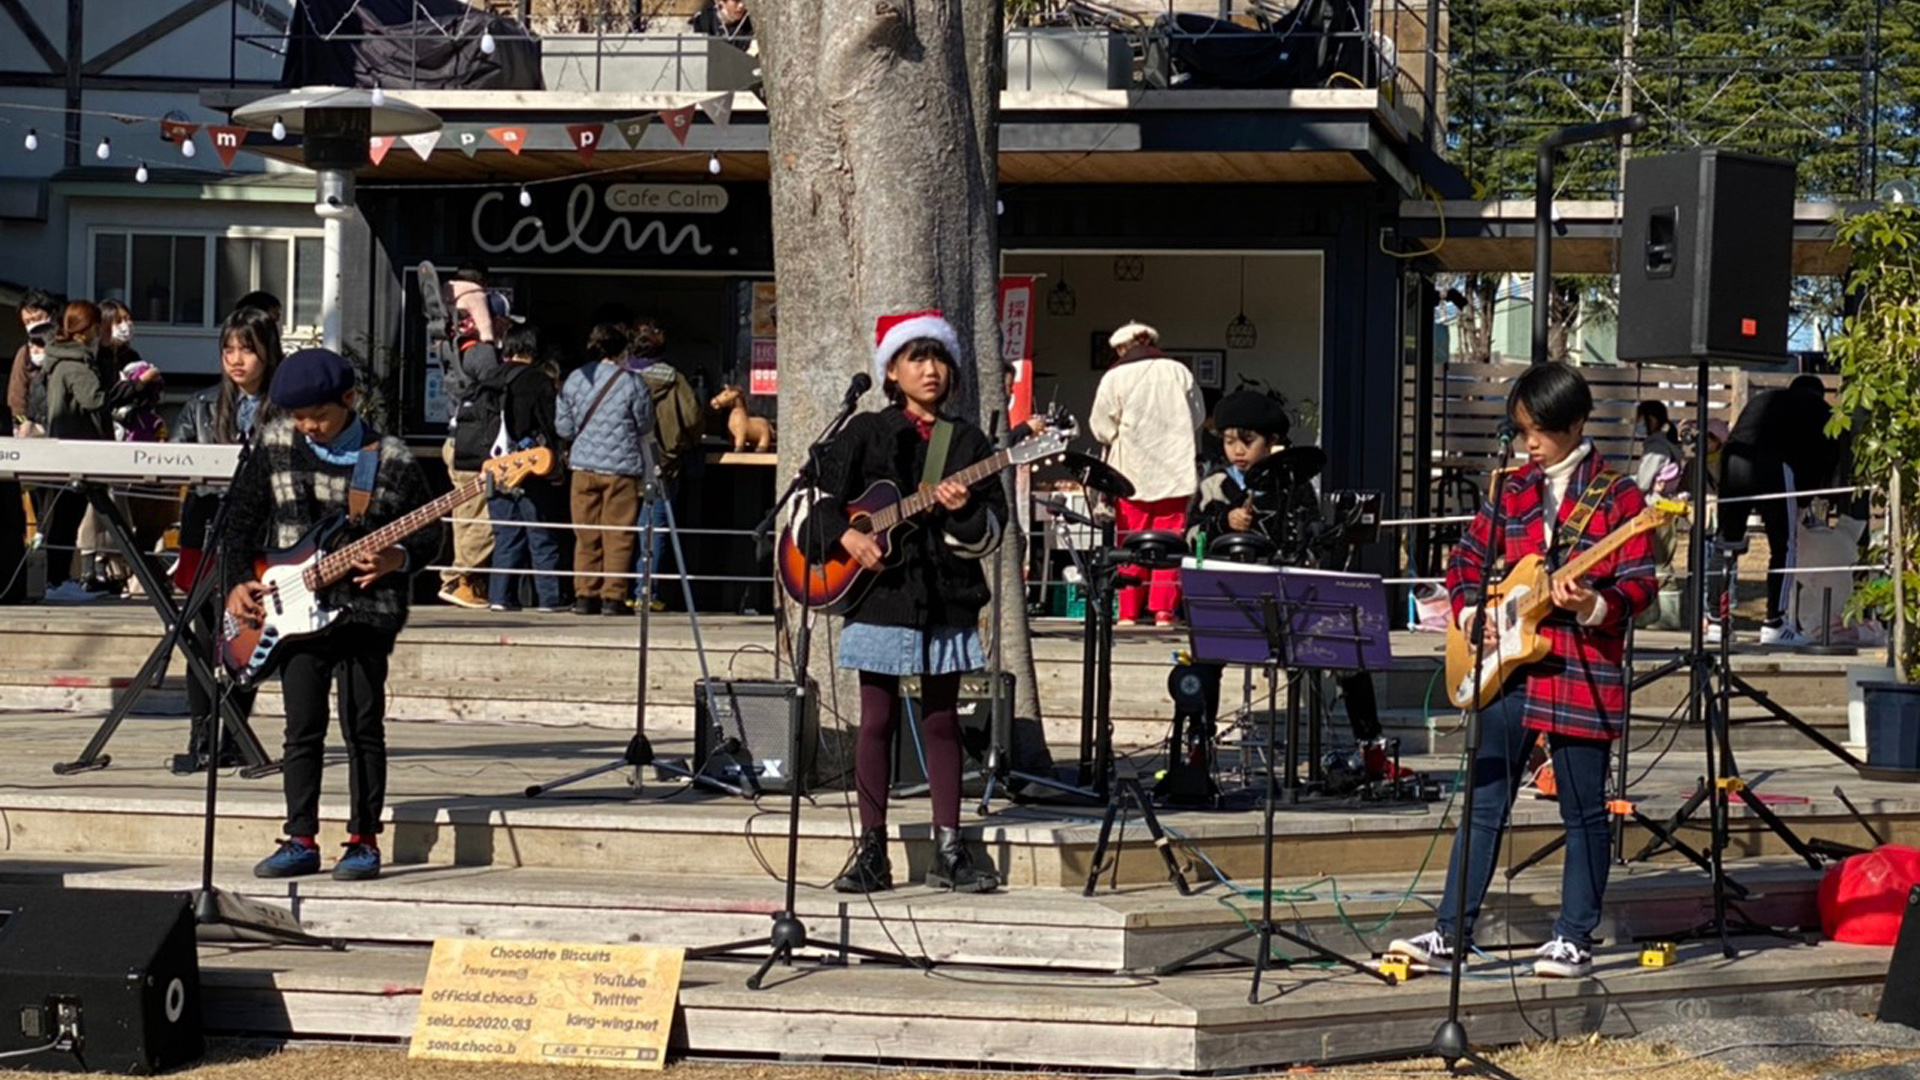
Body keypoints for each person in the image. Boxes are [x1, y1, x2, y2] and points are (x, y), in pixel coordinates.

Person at [1388, 363, 1656, 979]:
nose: (1528, 444)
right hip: (1505, 666)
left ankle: (1574, 937)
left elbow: (1639, 584)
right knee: (1484, 804)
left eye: (1540, 432)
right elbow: (1466, 559)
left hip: (1579, 664)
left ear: (1577, 423)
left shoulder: (1620, 498)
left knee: (1583, 808)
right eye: (1521, 431)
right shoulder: (1511, 486)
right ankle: (1451, 933)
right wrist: (1469, 611)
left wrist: (1591, 604)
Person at [804, 310, 1006, 895]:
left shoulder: (968, 441)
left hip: (946, 596)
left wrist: (960, 507)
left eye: (939, 358)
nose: (931, 370)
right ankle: (872, 851)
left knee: (941, 721)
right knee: (877, 720)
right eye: (917, 358)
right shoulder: (866, 432)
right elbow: (817, 504)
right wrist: (847, 535)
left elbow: (991, 527)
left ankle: (950, 847)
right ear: (890, 371)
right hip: (880, 596)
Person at [227, 347, 439, 882]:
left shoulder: (387, 457)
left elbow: (433, 533)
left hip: (365, 612)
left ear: (350, 400)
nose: (309, 427)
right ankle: (300, 837)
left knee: (363, 726)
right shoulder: (274, 444)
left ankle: (363, 841)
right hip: (290, 608)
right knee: (302, 728)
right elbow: (240, 520)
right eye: (299, 417)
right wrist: (236, 581)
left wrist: (400, 557)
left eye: (318, 416)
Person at [171, 307, 281, 770]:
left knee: (244, 633)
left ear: (267, 353)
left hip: (259, 533)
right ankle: (201, 737)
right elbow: (171, 461)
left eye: (248, 350)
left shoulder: (287, 408)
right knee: (202, 631)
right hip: (205, 525)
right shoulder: (200, 405)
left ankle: (234, 733)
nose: (237, 360)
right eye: (229, 350)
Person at [1089, 321, 1203, 627]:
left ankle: (1128, 611)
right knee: (1170, 541)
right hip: (1175, 469)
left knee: (1130, 540)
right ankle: (1164, 611)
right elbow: (1197, 416)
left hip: (1132, 471)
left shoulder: (1115, 375)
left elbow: (1101, 427)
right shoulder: (1180, 371)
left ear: (1122, 347)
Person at [1718, 375, 1844, 646]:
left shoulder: (1764, 399)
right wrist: (1805, 500)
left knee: (1727, 543)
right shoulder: (1819, 410)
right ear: (1819, 394)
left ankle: (1719, 622)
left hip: (1733, 458)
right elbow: (1822, 460)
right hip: (1772, 464)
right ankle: (1775, 623)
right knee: (1784, 546)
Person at [465, 322, 565, 613]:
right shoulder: (538, 380)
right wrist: (556, 463)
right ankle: (550, 598)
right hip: (529, 466)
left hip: (495, 466)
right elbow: (551, 424)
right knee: (541, 534)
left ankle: (500, 597)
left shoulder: (489, 379)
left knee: (506, 536)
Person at [556, 322, 654, 616]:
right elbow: (645, 423)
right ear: (624, 349)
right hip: (620, 468)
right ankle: (613, 597)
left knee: (585, 534)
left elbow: (563, 426)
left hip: (583, 465)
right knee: (618, 534)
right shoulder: (633, 382)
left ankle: (585, 595)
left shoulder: (575, 379)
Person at [437, 262, 505, 610]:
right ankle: (461, 578)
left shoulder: (450, 347)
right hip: (474, 441)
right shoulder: (481, 352)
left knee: (465, 514)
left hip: (455, 436)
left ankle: (460, 582)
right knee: (482, 516)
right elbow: (497, 387)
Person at [627, 318, 706, 612]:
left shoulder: (618, 377)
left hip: (623, 462)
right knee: (654, 528)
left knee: (617, 527)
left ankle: (612, 591)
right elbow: (693, 419)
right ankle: (646, 592)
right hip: (662, 462)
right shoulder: (675, 380)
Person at [36, 301, 110, 601]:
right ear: (89, 328)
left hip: (64, 446)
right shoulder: (75, 363)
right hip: (76, 450)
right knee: (67, 517)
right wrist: (133, 387)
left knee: (65, 518)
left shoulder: (58, 360)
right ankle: (57, 580)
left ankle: (58, 578)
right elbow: (95, 400)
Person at [8, 288, 60, 436]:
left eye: (37, 319)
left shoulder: (69, 349)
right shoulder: (24, 354)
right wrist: (22, 424)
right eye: (27, 321)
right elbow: (16, 399)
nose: (32, 325)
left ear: (53, 315)